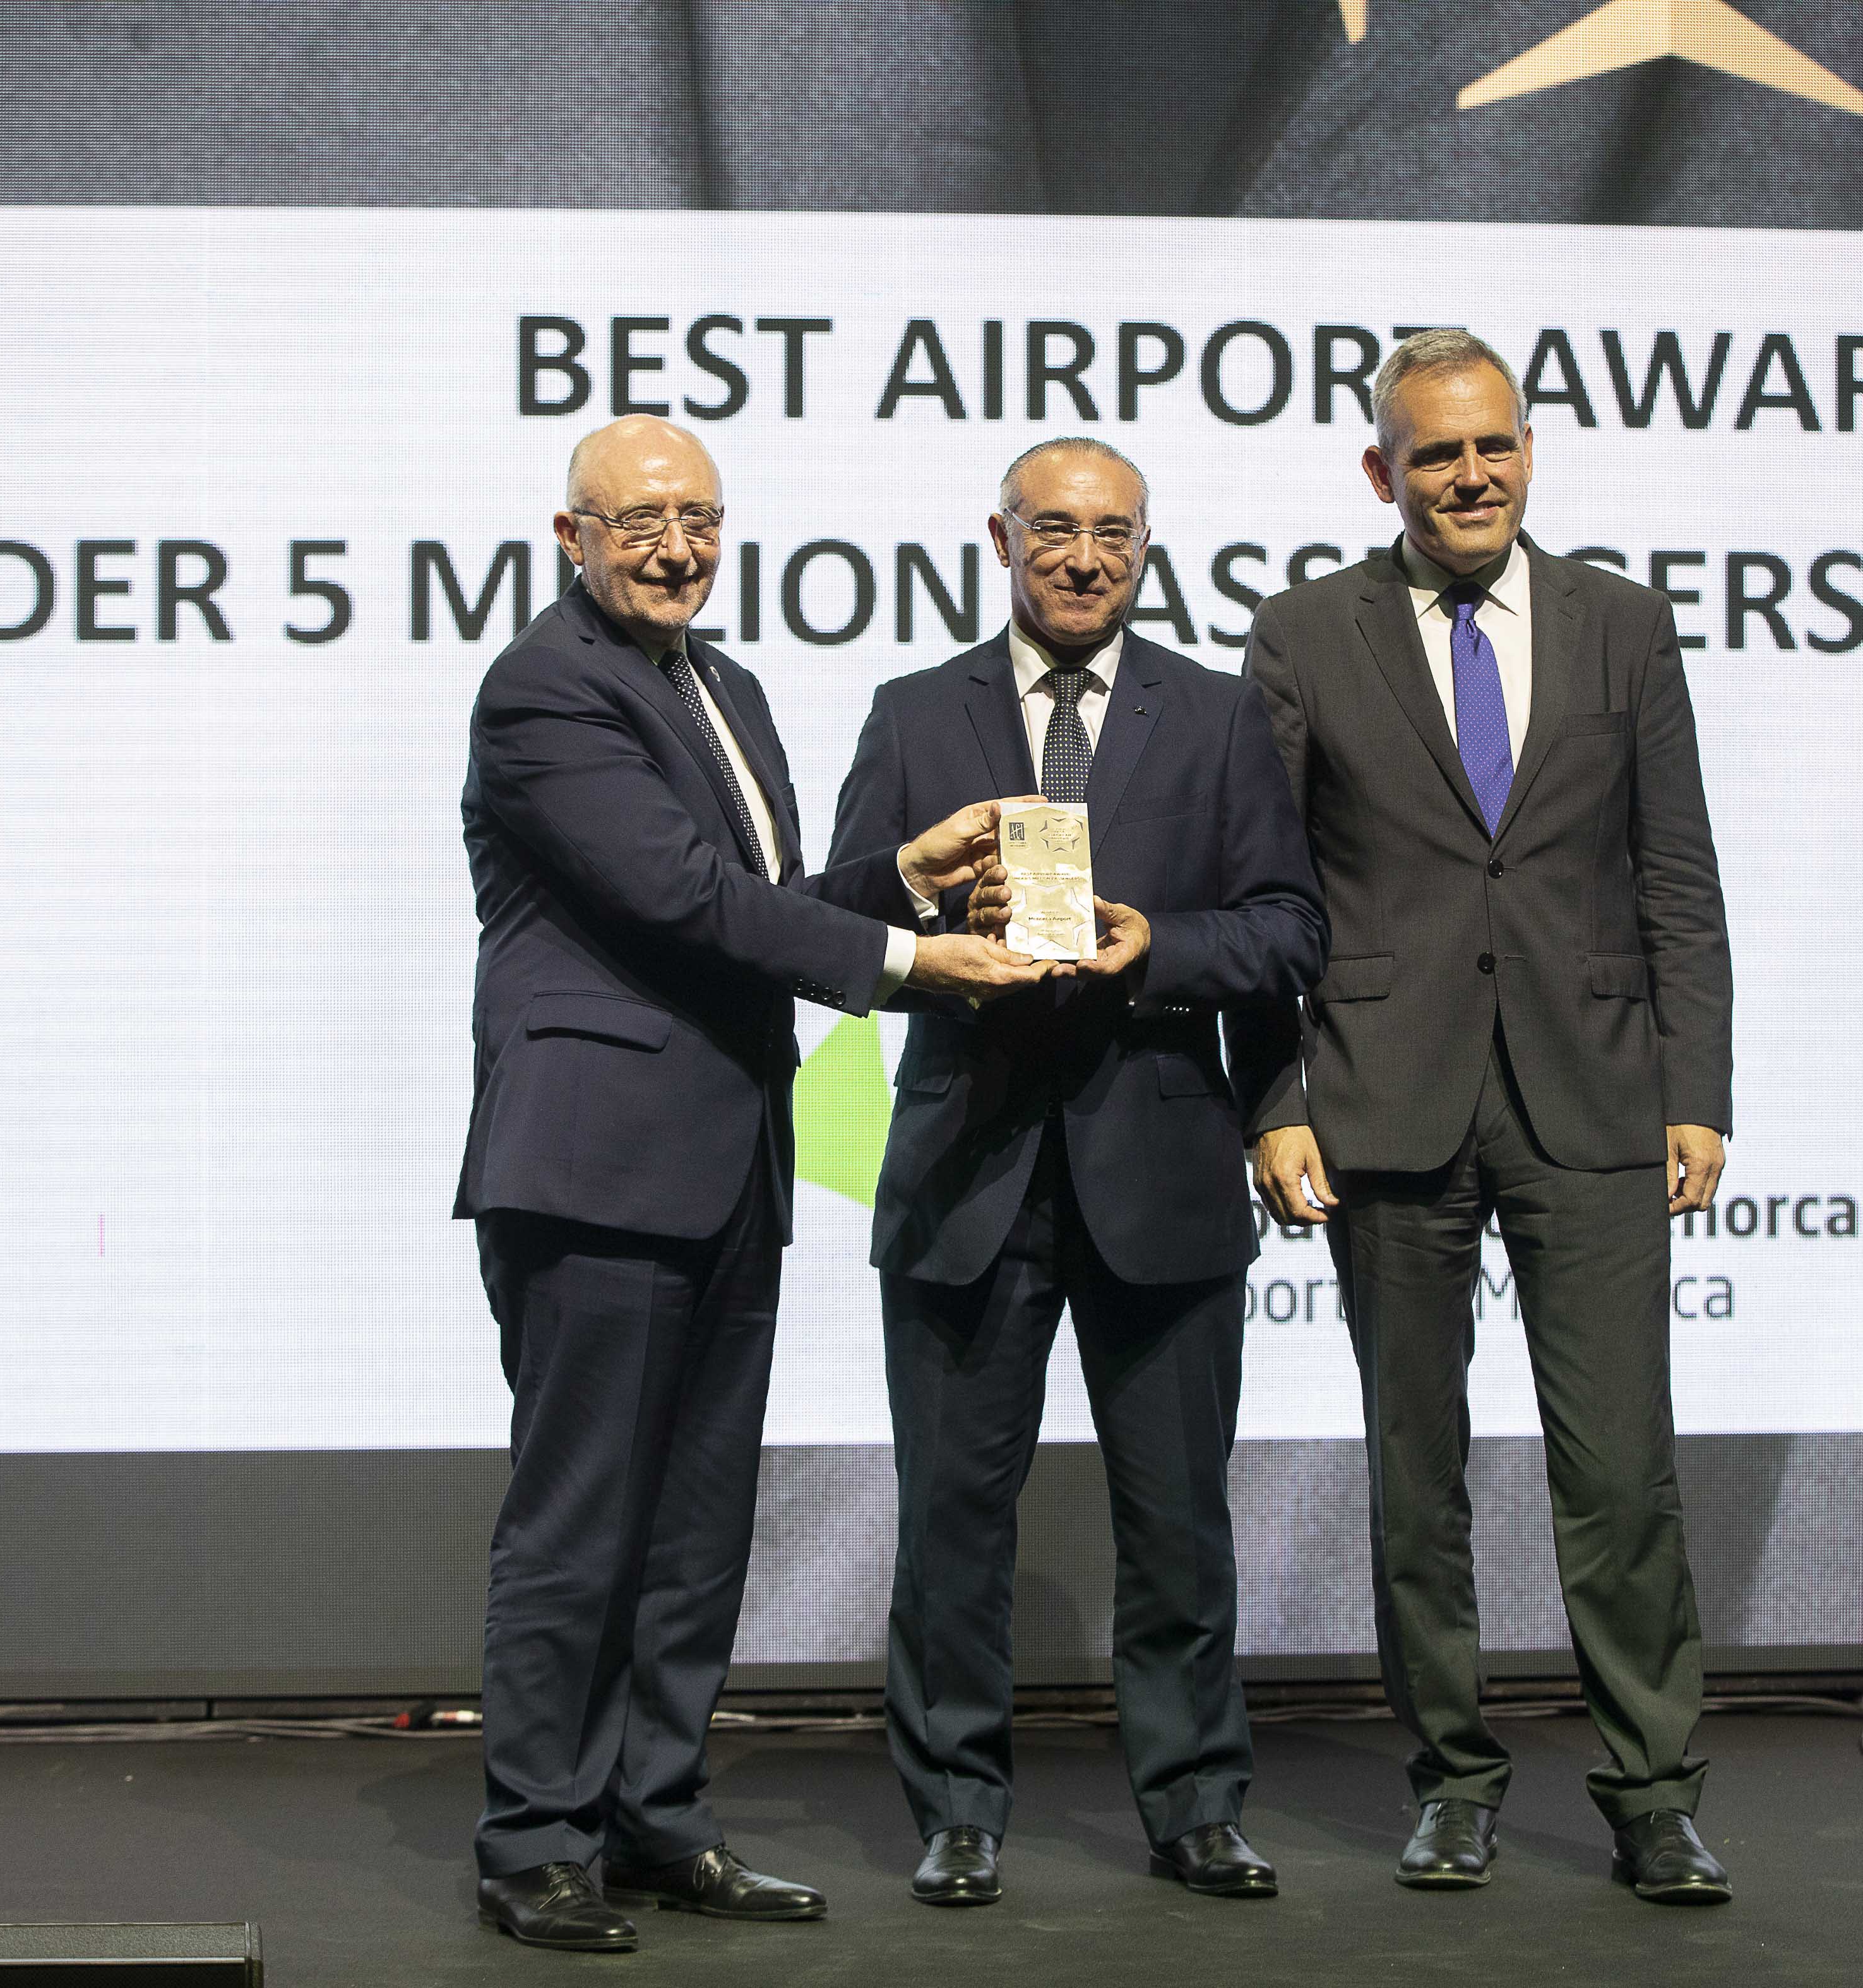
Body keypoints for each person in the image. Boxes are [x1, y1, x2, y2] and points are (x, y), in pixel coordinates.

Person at [456, 415, 1047, 1952]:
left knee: (700, 1525)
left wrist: (902, 878)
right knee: (583, 1519)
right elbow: (674, 897)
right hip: (592, 1166)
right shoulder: (542, 688)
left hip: (729, 1162)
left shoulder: (729, 687)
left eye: (700, 521)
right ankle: (536, 1841)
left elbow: (762, 910)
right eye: (639, 520)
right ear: (568, 537)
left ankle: (657, 1818)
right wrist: (917, 956)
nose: (674, 548)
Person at [1240, 330, 1739, 1903]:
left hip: (1593, 1095)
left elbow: (1678, 876)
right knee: (1414, 1468)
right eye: (1434, 453)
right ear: (1380, 471)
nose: (1468, 476)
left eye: (1492, 447)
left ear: (1527, 453)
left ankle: (1652, 1790)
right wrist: (1274, 1100)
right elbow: (1262, 894)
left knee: (1619, 1469)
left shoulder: (1621, 624)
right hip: (1385, 1101)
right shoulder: (1306, 633)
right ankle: (1452, 1776)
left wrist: (1699, 1089)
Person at [826, 438, 1326, 1907]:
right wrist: (929, 911)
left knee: (1177, 1517)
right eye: (1054, 531)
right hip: (961, 1171)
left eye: (1113, 536)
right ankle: (957, 1809)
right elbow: (842, 933)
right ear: (1001, 539)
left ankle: (1192, 1804)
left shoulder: (1223, 716)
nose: (1084, 558)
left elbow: (1290, 931)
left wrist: (1157, 945)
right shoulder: (913, 713)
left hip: (1158, 1166)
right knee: (949, 1518)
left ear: (1146, 550)